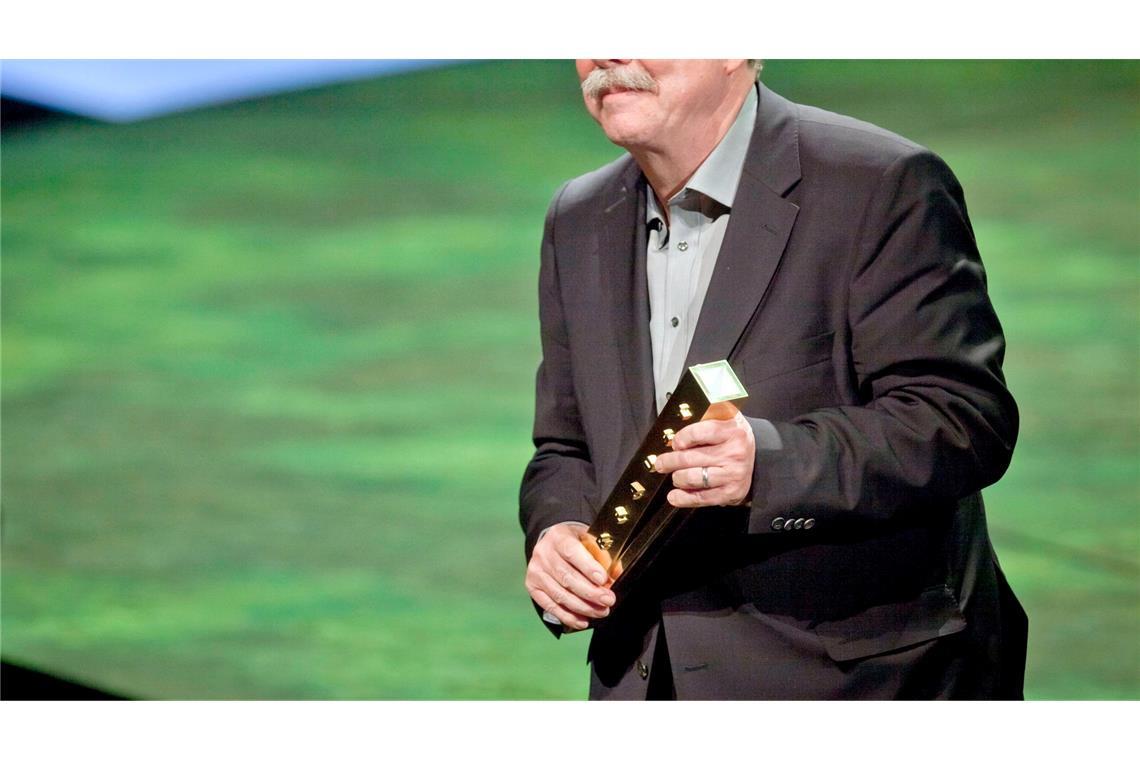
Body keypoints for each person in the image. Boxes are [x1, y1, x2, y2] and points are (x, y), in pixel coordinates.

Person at [519, 59, 1027, 699]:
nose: (609, 51)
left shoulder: (879, 184)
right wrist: (558, 531)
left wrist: (770, 463)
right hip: (645, 682)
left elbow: (961, 418)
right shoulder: (578, 215)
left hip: (858, 682)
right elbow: (565, 445)